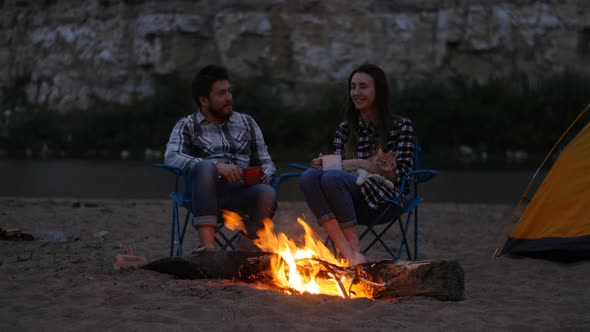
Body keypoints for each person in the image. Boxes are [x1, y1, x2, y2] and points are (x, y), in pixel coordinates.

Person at [299, 64, 414, 266]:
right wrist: (323, 164)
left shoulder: (401, 126)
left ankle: (353, 247)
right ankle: (349, 253)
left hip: (385, 199)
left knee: (333, 177)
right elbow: (335, 168)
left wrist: (359, 163)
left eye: (363, 87)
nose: (356, 92)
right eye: (353, 87)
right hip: (345, 197)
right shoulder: (345, 129)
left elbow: (400, 174)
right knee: (309, 176)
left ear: (378, 91)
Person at [164, 64, 277, 252]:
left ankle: (245, 249)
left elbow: (266, 161)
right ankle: (208, 247)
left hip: (241, 192)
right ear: (204, 100)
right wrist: (216, 166)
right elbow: (171, 157)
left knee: (267, 192)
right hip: (205, 192)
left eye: (229, 92)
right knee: (206, 167)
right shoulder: (187, 125)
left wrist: (264, 172)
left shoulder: (247, 122)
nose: (229, 98)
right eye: (221, 94)